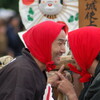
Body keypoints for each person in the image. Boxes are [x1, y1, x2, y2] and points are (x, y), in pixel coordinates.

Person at [0, 21, 68, 100]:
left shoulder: (34, 68)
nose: (64, 50)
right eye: (60, 44)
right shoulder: (22, 71)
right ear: (44, 43)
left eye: (64, 43)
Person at [56, 26, 100, 100]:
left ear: (85, 50)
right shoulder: (94, 77)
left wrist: (71, 93)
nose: (72, 57)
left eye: (72, 50)